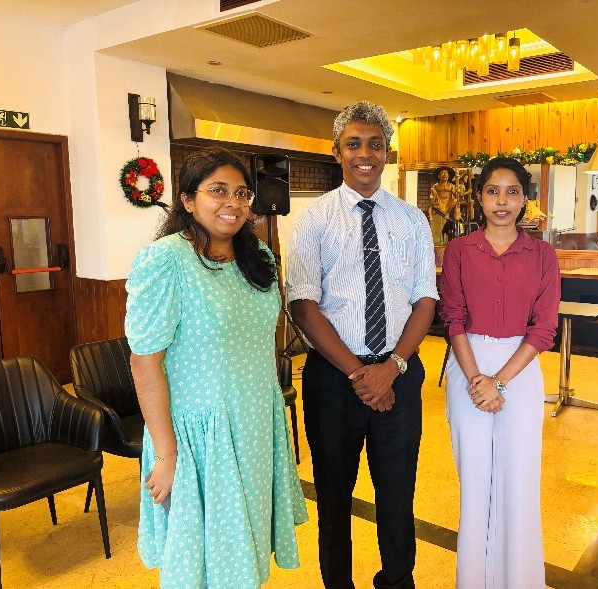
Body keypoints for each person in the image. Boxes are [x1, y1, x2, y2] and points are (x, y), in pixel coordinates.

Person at [125, 147, 307, 589]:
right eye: (218, 191)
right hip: (199, 437)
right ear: (188, 200)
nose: (233, 202)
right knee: (203, 560)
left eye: (242, 193)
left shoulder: (258, 256)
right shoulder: (167, 260)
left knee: (245, 547)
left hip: (255, 424)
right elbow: (144, 363)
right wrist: (166, 455)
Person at [286, 101, 438, 589]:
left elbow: (425, 300)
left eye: (375, 144)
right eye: (354, 144)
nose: (365, 154)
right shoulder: (312, 219)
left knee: (398, 493)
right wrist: (360, 374)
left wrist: (391, 368)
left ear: (387, 152)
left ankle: (396, 581)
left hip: (399, 376)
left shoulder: (412, 220)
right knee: (333, 497)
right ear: (337, 152)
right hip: (334, 381)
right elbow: (303, 305)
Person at [438, 157, 560, 588]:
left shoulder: (542, 255)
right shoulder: (459, 250)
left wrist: (499, 382)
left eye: (512, 192)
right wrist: (477, 380)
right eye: (493, 191)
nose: (502, 201)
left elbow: (544, 328)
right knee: (474, 479)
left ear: (525, 199)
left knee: (518, 479)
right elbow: (452, 318)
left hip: (520, 369)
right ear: (479, 197)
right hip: (467, 364)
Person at [428, 166, 462, 244]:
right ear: (439, 176)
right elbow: (432, 195)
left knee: (455, 201)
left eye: (446, 173)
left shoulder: (451, 185)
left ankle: (447, 214)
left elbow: (456, 194)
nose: (444, 175)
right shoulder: (435, 186)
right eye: (442, 173)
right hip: (439, 203)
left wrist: (458, 189)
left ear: (449, 176)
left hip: (449, 203)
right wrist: (433, 199)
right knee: (431, 207)